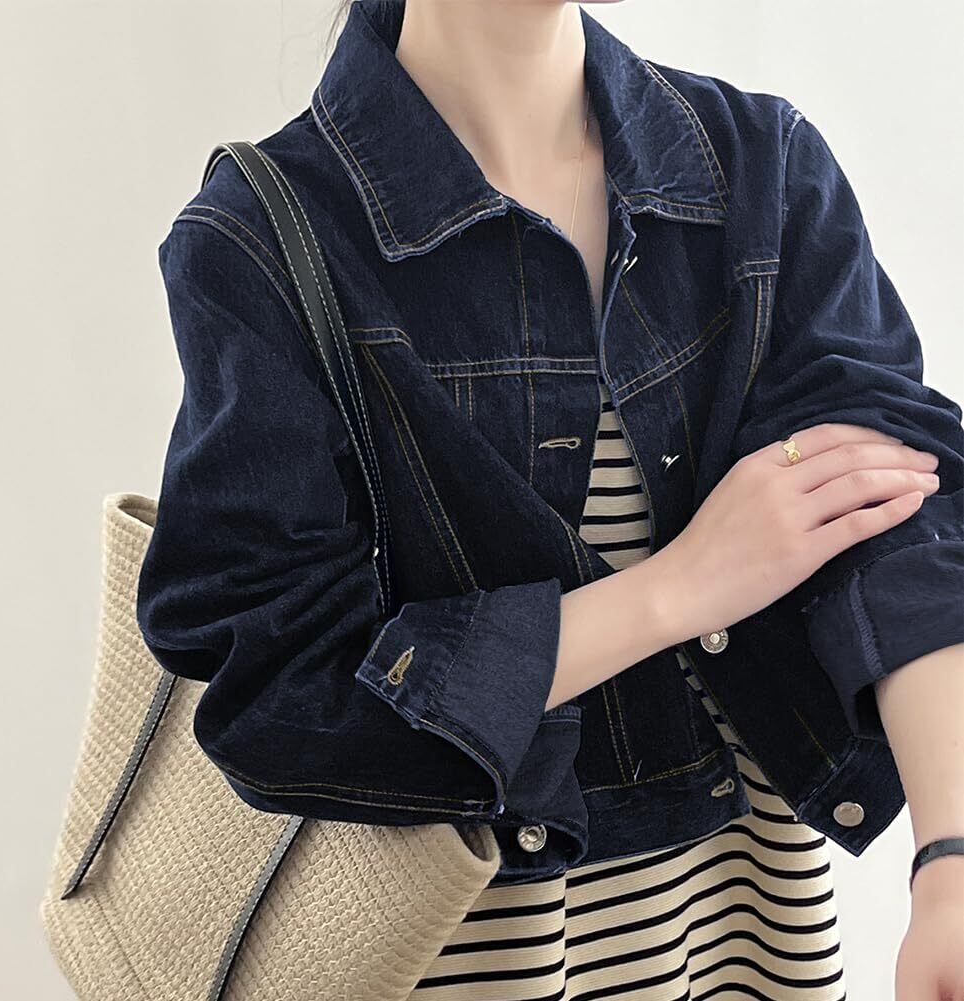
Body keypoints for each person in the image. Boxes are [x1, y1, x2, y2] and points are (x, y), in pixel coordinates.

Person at [136, 1, 964, 997]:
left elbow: (893, 515)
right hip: (477, 965)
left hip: (750, 944)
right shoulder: (262, 235)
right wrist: (676, 589)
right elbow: (276, 690)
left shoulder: (758, 164)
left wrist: (949, 862)